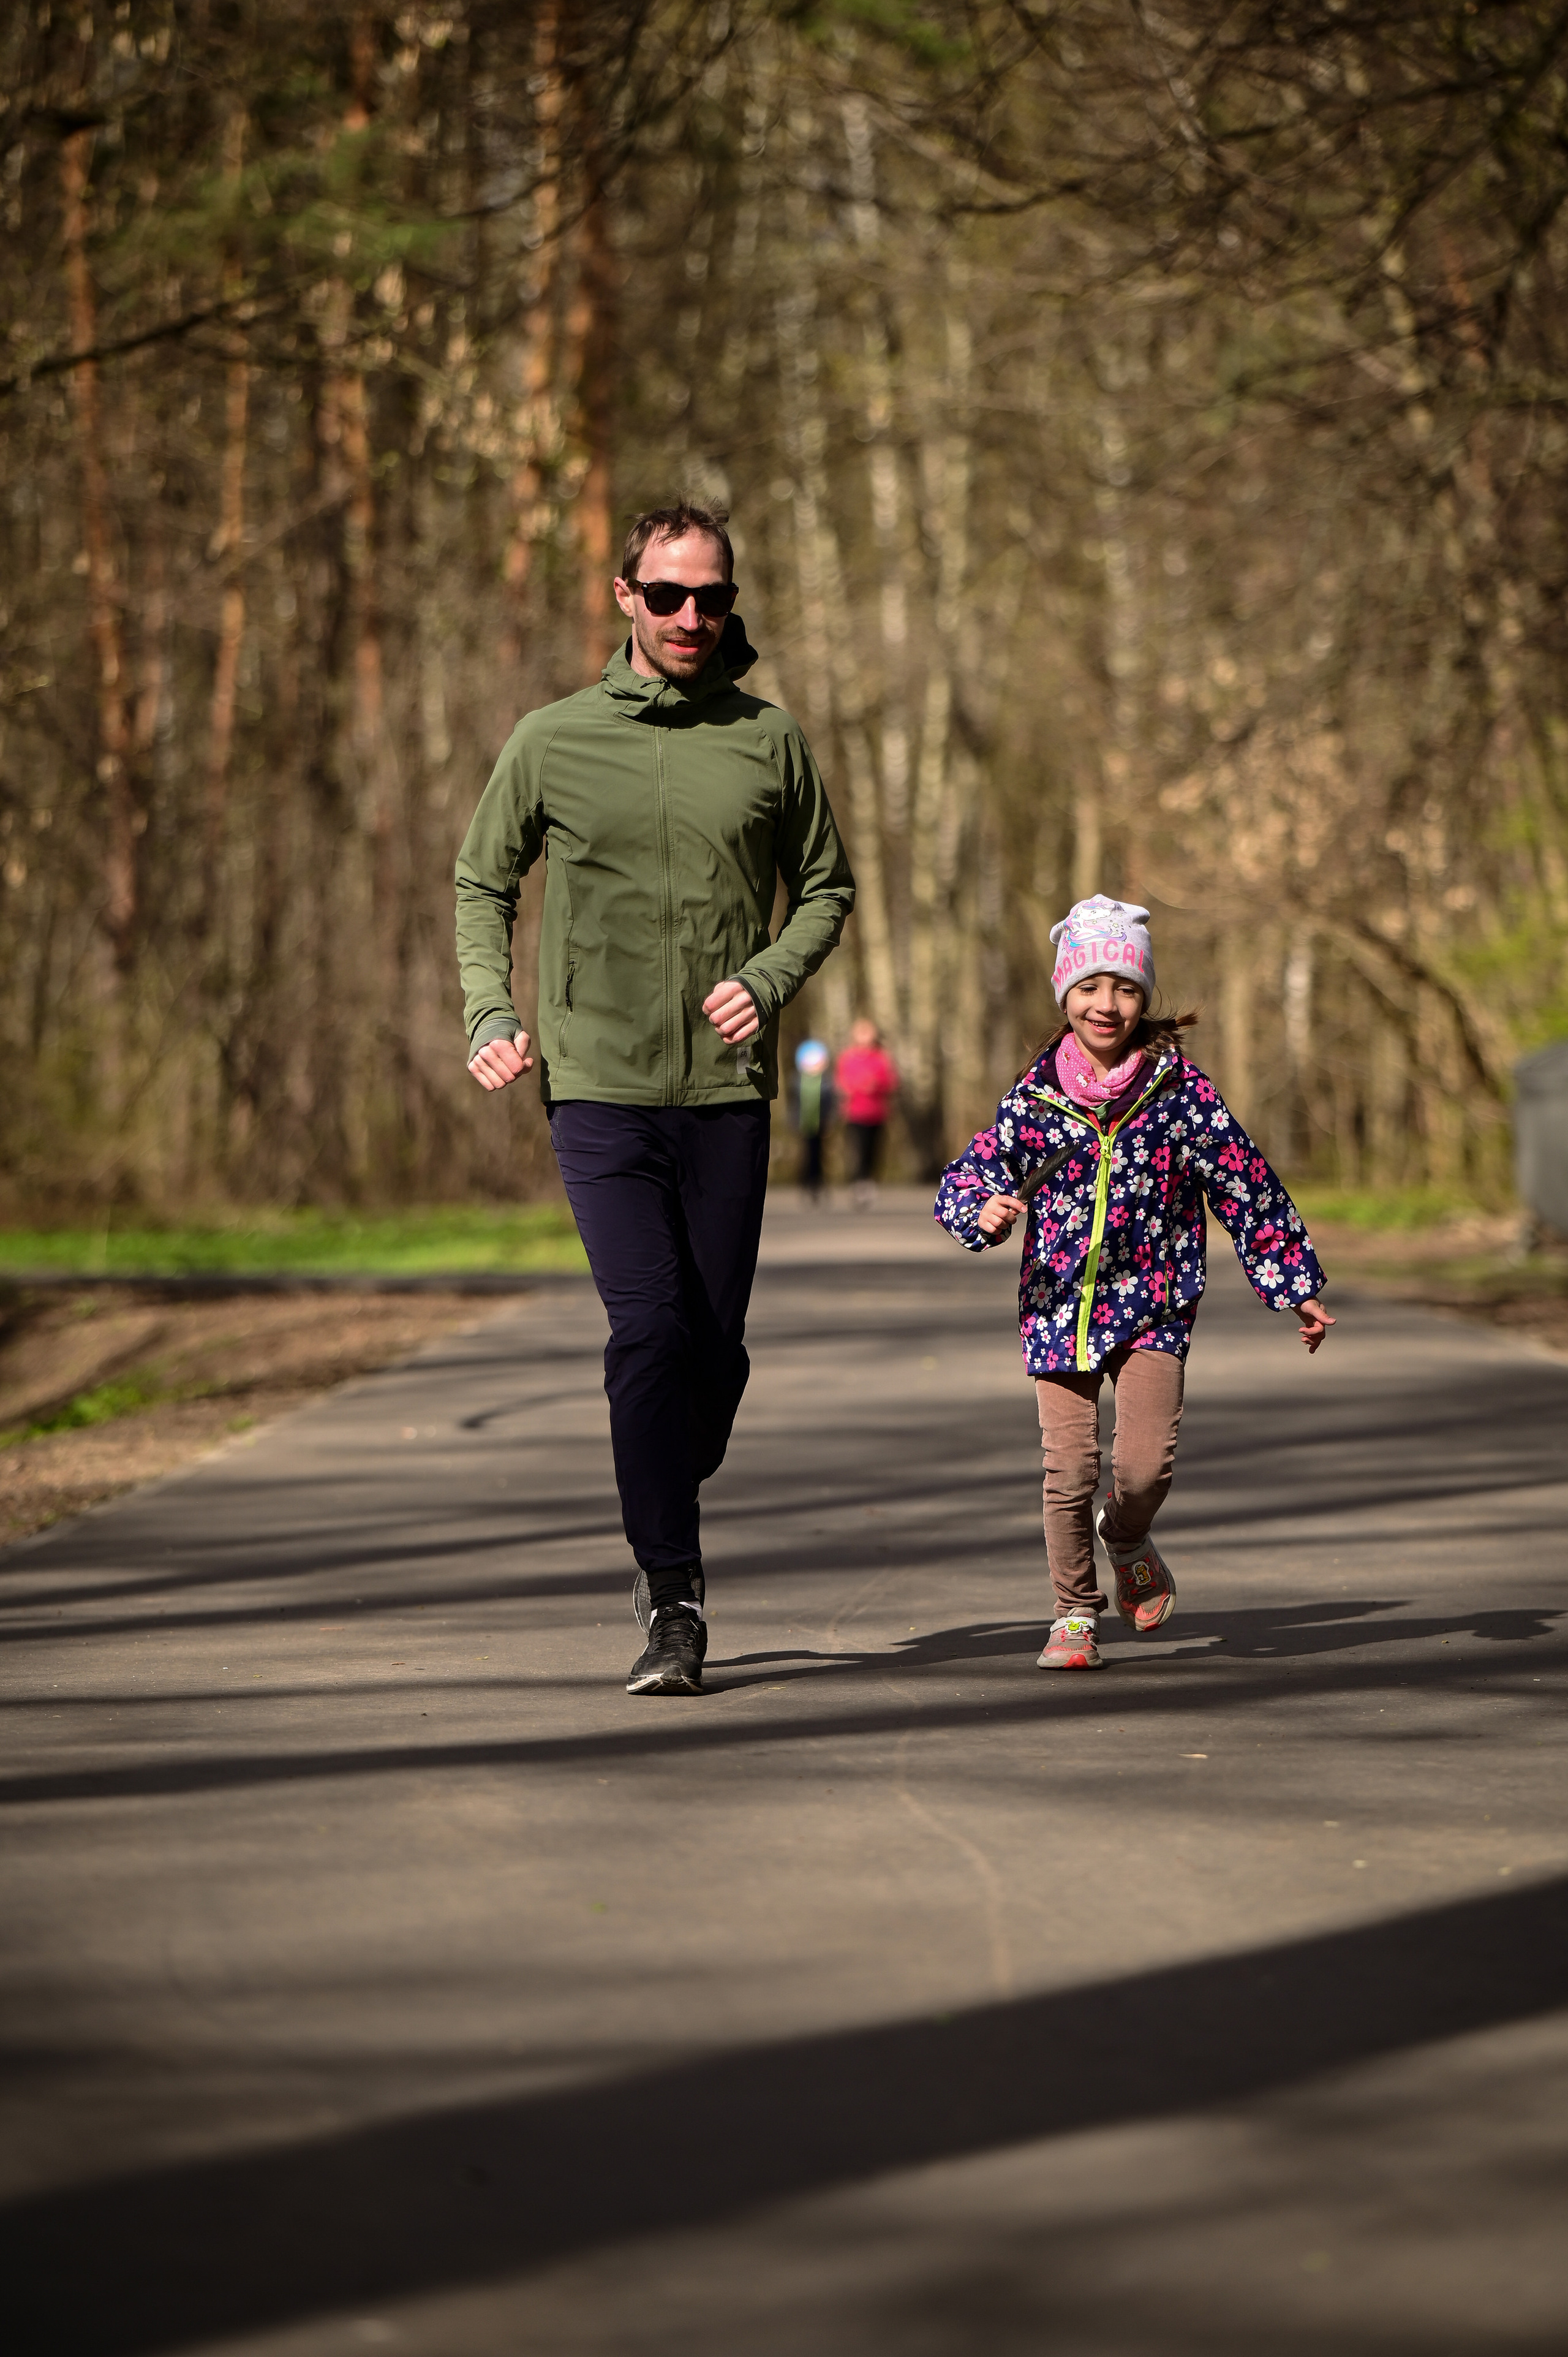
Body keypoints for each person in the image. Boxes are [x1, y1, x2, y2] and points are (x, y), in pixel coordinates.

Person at [456, 502, 854, 1696]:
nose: (692, 616)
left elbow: (826, 889)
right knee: (647, 1330)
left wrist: (769, 976)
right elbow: (482, 881)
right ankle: (672, 1597)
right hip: (596, 1089)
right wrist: (491, 1013)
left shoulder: (767, 742)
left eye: (712, 597)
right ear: (623, 595)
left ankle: (673, 1468)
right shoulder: (552, 739)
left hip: (725, 1090)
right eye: (669, 594)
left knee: (712, 1346)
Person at [933, 894, 1333, 1672]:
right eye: (1088, 987)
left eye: (1122, 987)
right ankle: (1074, 1613)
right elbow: (969, 1175)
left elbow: (1246, 1188)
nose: (1105, 1003)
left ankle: (1127, 1535)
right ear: (1065, 995)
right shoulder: (1036, 1100)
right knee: (1069, 1469)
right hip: (1058, 1308)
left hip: (1154, 1304)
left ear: (1143, 996)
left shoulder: (1182, 1096)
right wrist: (978, 1211)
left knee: (1143, 1469)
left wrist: (1294, 1284)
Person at [835, 1016, 899, 1205]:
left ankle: (869, 1180)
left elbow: (892, 1082)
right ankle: (858, 1182)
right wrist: (858, 1086)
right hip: (855, 1112)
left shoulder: (882, 1057)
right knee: (858, 1149)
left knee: (874, 1149)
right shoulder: (848, 1057)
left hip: (877, 1112)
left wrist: (876, 1086)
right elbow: (841, 1082)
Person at [791, 1038, 834, 1198]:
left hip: (821, 1125)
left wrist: (830, 1122)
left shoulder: (827, 1083)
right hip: (804, 1125)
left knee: (820, 1155)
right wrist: (795, 1122)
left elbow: (831, 1105)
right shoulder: (797, 1082)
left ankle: (818, 1182)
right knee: (806, 1154)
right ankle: (806, 1182)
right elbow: (795, 1105)